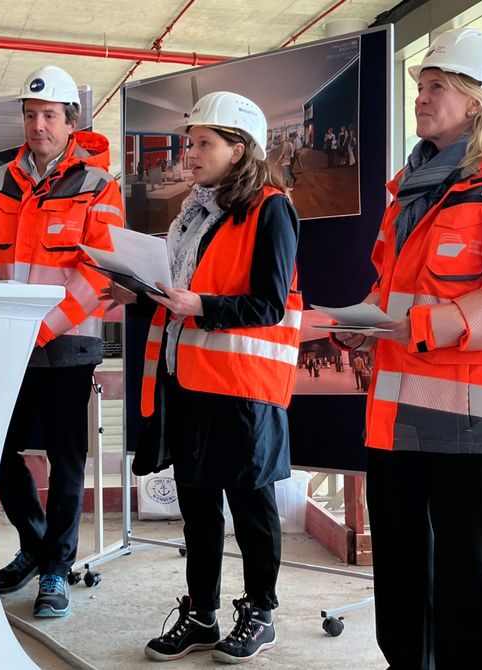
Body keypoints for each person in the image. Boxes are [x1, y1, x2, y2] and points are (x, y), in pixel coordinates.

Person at [334, 29, 482, 669]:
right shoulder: (407, 192)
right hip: (394, 416)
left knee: (468, 580)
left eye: (437, 87)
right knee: (400, 573)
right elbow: (390, 292)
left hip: (470, 423)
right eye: (421, 87)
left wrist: (424, 325)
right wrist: (367, 324)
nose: (421, 98)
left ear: (477, 103)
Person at [104, 91, 301, 663]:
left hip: (241, 387)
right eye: (190, 142)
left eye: (203, 143)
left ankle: (260, 613)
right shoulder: (193, 212)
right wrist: (138, 296)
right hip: (186, 379)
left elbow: (270, 304)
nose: (190, 153)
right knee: (196, 504)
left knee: (250, 504)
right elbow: (178, 295)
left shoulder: (271, 209)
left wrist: (201, 305)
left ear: (239, 150)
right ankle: (201, 614)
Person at [0, 64, 123, 618]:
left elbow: (99, 271)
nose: (38, 126)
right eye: (30, 116)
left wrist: (43, 325)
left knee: (66, 460)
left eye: (49, 116)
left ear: (71, 121)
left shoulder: (99, 186)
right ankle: (35, 547)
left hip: (69, 343)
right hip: (7, 344)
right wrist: (3, 318)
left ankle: (55, 568)